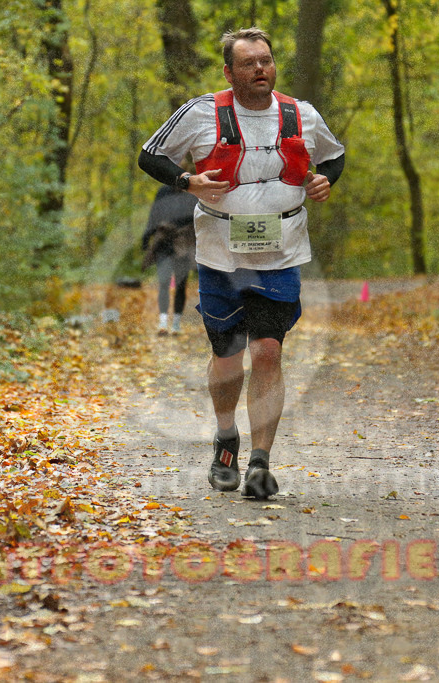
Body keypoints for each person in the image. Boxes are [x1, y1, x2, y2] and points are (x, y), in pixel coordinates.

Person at [138, 27, 345, 499]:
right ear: (229, 71)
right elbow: (149, 156)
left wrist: (324, 181)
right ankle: (226, 437)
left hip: (282, 250)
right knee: (228, 355)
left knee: (268, 350)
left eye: (266, 61)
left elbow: (334, 157)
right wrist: (187, 181)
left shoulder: (301, 114)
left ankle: (260, 463)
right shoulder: (200, 112)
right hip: (219, 253)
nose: (260, 70)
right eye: (249, 63)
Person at [141, 183, 199, 335]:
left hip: (184, 243)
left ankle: (176, 325)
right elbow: (154, 213)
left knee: (181, 284)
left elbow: (197, 218)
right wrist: (146, 237)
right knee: (164, 282)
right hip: (164, 243)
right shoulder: (163, 191)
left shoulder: (191, 192)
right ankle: (163, 323)